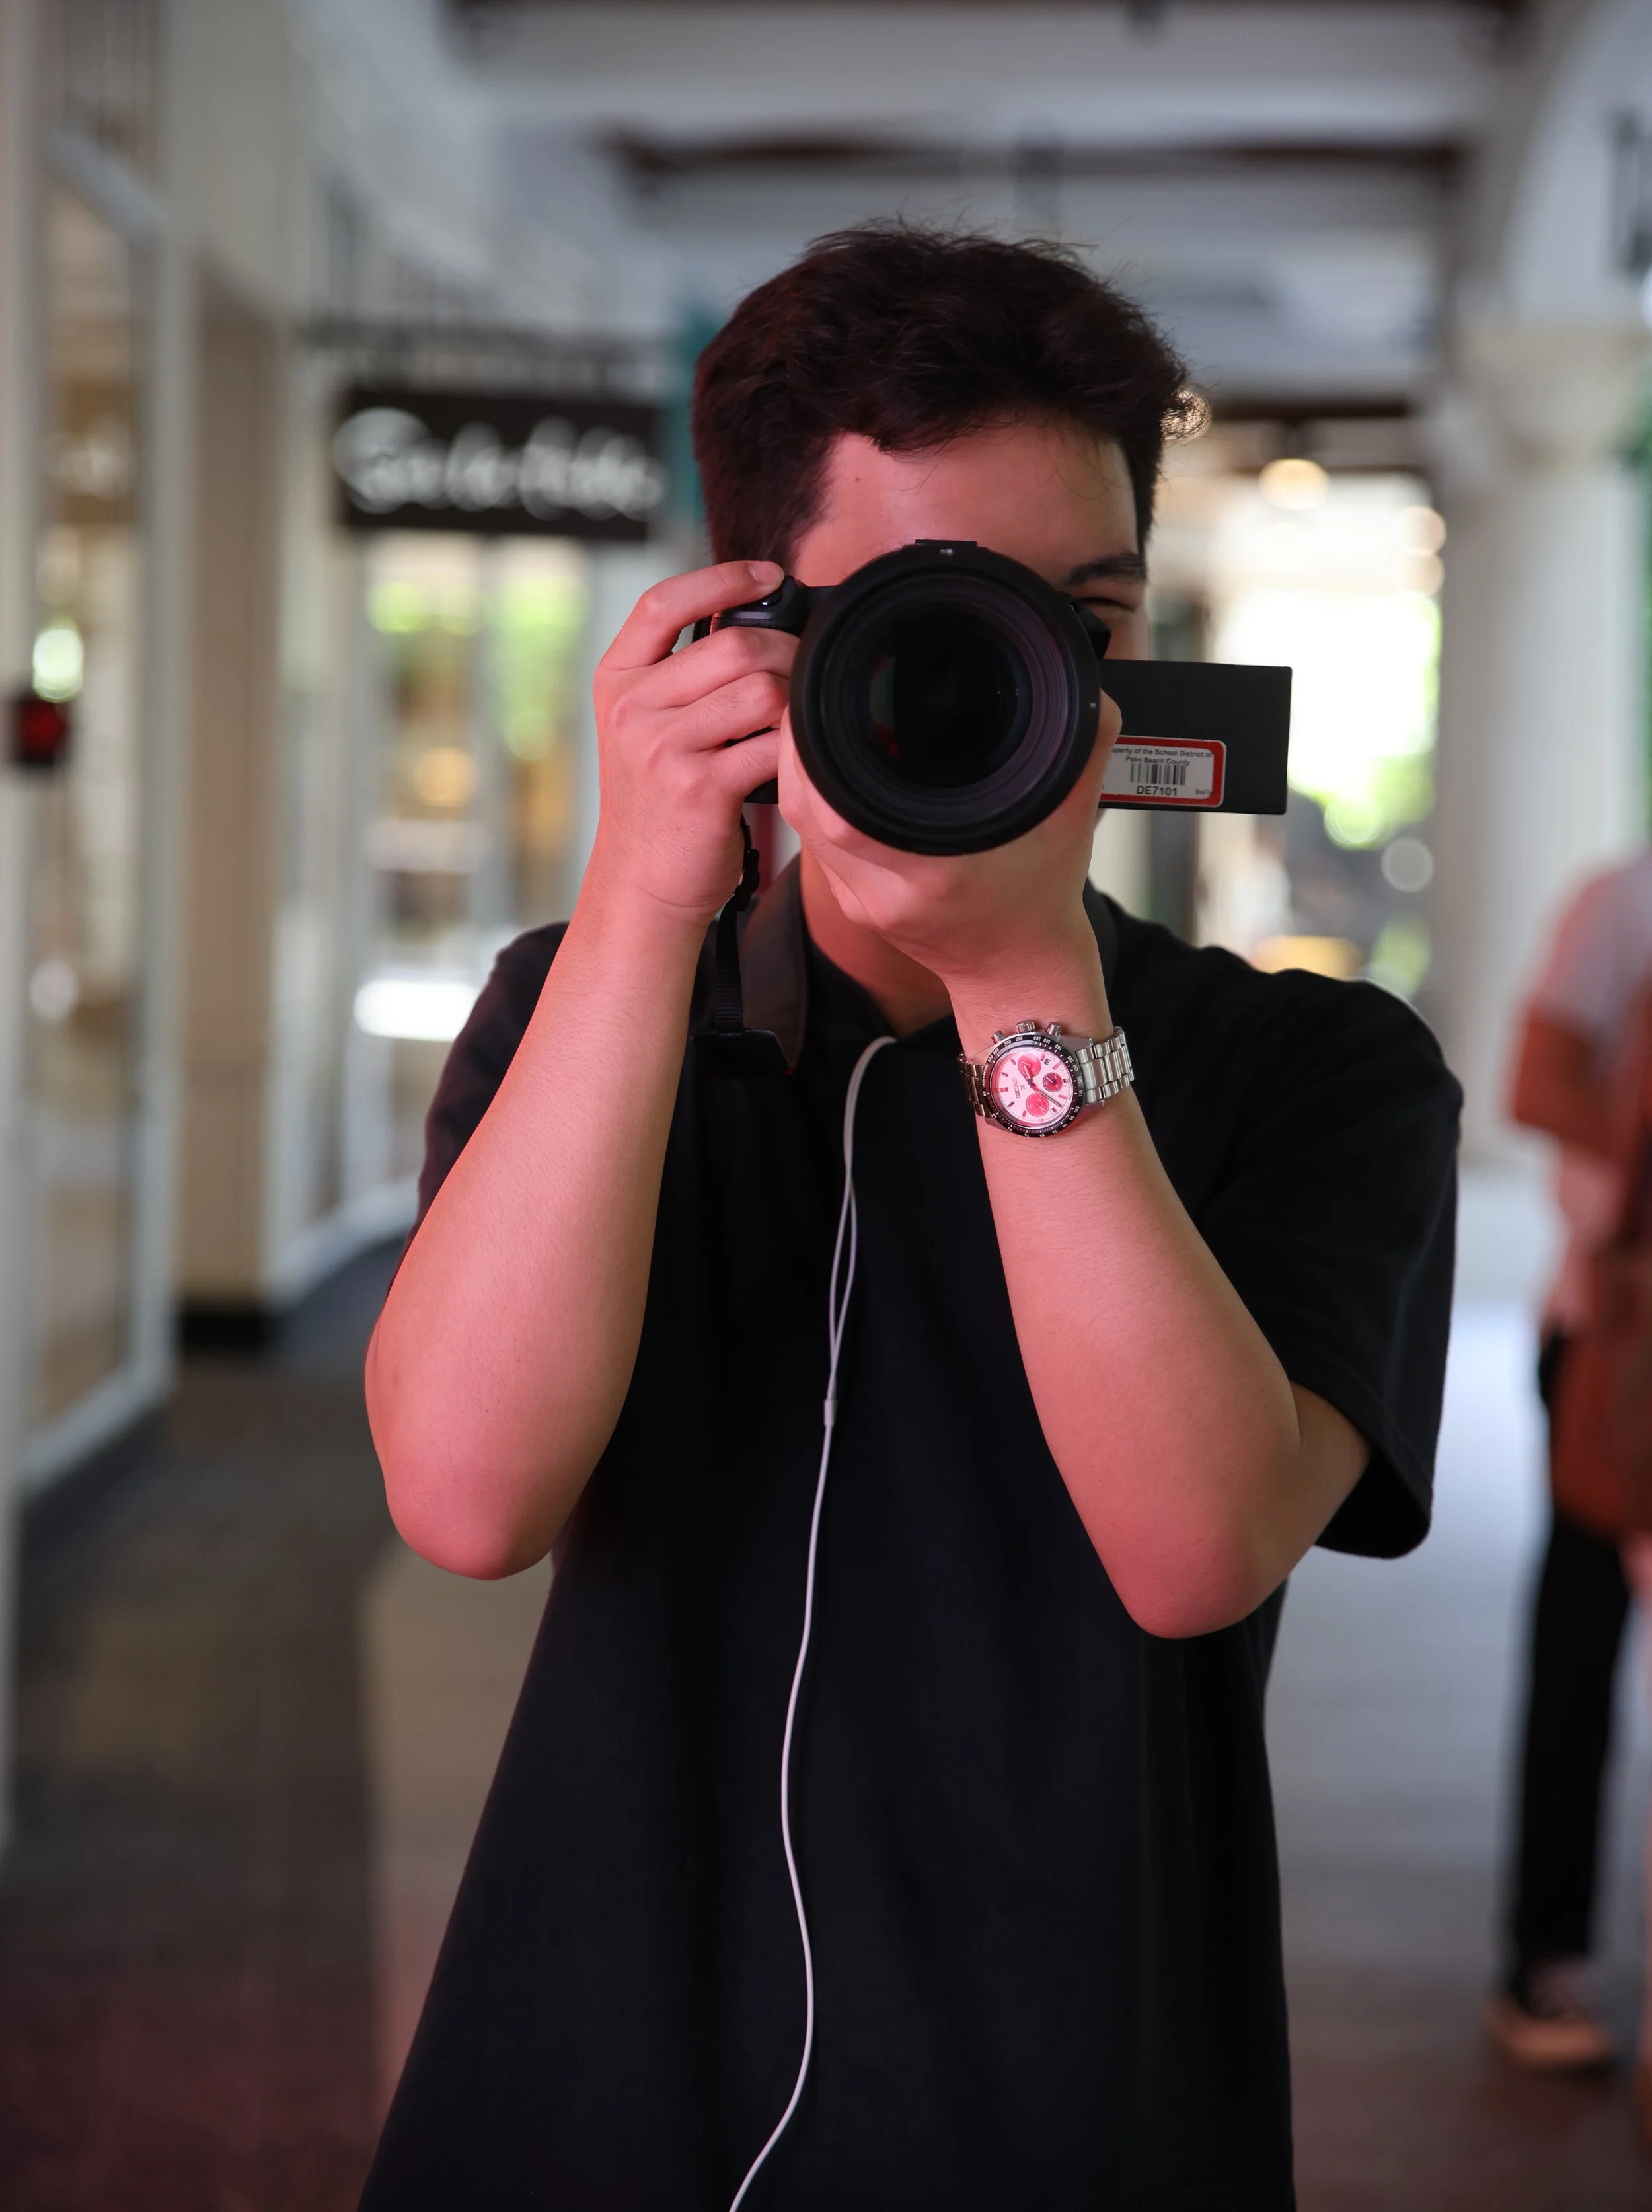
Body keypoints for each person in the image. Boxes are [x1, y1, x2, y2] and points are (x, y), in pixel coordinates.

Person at [358, 225, 1460, 2211]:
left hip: (1071, 2101)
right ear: (743, 639)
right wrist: (637, 903)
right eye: (928, 627)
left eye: (1080, 621)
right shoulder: (583, 1008)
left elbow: (1192, 1545)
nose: (1008, 683)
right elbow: (461, 1495)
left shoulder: (1315, 1071)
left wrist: (1024, 980)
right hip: (583, 2073)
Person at [1489, 847, 1652, 2076]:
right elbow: (1535, 1079)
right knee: (1582, 1646)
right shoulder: (1627, 898)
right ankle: (1542, 1956)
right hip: (1612, 1332)